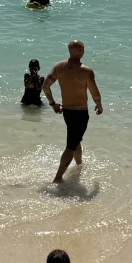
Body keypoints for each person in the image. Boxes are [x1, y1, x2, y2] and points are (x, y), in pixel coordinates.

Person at [43, 40, 103, 183]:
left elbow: (45, 86)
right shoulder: (86, 71)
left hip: (67, 112)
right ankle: (58, 178)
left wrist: (53, 104)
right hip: (80, 113)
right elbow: (94, 91)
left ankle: (79, 166)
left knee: (75, 140)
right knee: (71, 145)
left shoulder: (59, 67)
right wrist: (98, 104)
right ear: (81, 50)